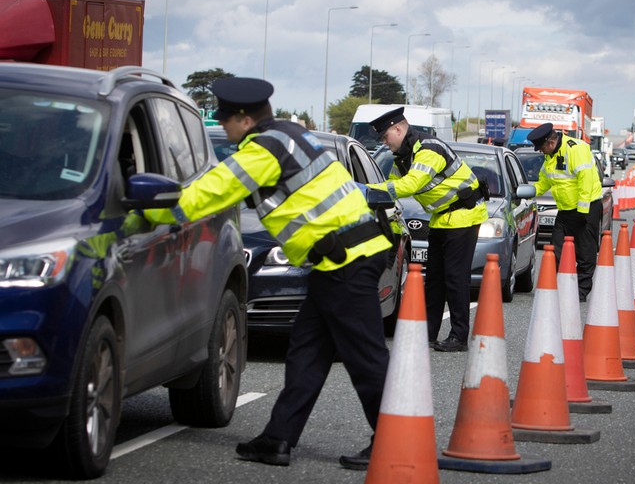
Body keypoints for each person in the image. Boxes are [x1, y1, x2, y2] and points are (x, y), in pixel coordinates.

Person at [143, 77, 392, 470]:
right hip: (340, 261)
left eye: (226, 121)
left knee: (367, 359)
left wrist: (145, 208)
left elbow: (206, 195)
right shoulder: (290, 133)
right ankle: (277, 439)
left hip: (348, 262)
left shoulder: (262, 151)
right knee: (307, 354)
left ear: (242, 119)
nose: (224, 128)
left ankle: (394, 443)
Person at [368, 107, 488, 352]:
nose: (384, 142)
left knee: (455, 279)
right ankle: (429, 333)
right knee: (434, 280)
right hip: (440, 219)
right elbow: (391, 187)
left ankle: (459, 337)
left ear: (398, 129)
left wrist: (367, 190)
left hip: (463, 217)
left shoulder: (428, 149)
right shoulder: (402, 157)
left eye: (385, 137)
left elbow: (410, 185)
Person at [527, 123, 602, 302]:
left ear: (550, 143)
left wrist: (583, 211)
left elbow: (586, 180)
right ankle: (555, 288)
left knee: (585, 252)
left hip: (587, 208)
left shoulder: (575, 149)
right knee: (555, 250)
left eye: (541, 148)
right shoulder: (550, 156)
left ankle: (580, 292)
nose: (540, 152)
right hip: (565, 210)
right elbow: (544, 181)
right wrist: (526, 191)